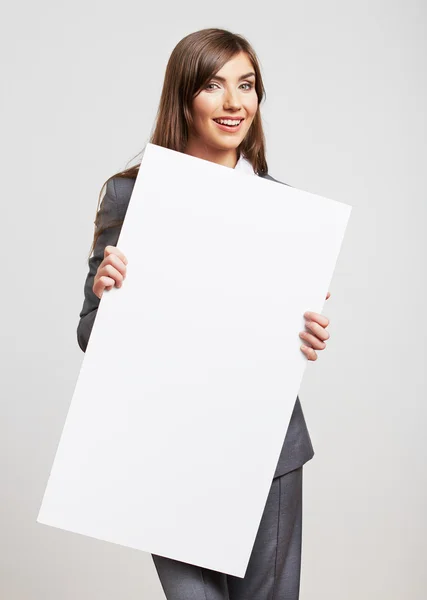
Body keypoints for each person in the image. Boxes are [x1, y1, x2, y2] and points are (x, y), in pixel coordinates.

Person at [77, 28, 331, 600]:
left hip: (266, 447)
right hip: (171, 447)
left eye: (247, 85)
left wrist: (307, 335)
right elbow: (89, 334)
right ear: (184, 97)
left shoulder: (287, 211)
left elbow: (285, 338)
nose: (235, 102)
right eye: (215, 85)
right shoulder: (129, 197)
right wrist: (108, 295)